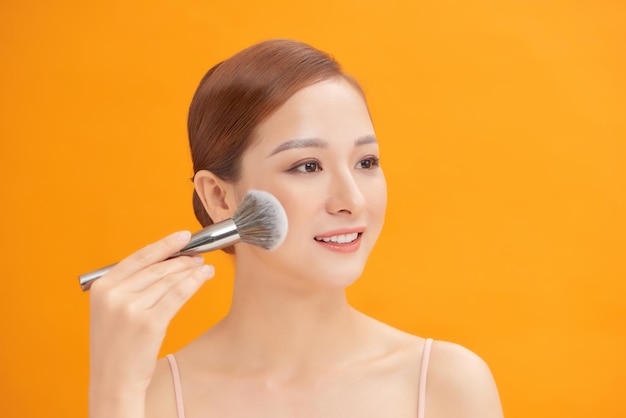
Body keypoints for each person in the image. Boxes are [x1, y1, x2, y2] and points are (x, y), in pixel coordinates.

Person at [88, 39, 504, 418]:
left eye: (366, 162)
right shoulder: (150, 398)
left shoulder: (445, 385)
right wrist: (114, 392)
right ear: (218, 197)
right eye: (307, 166)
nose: (353, 200)